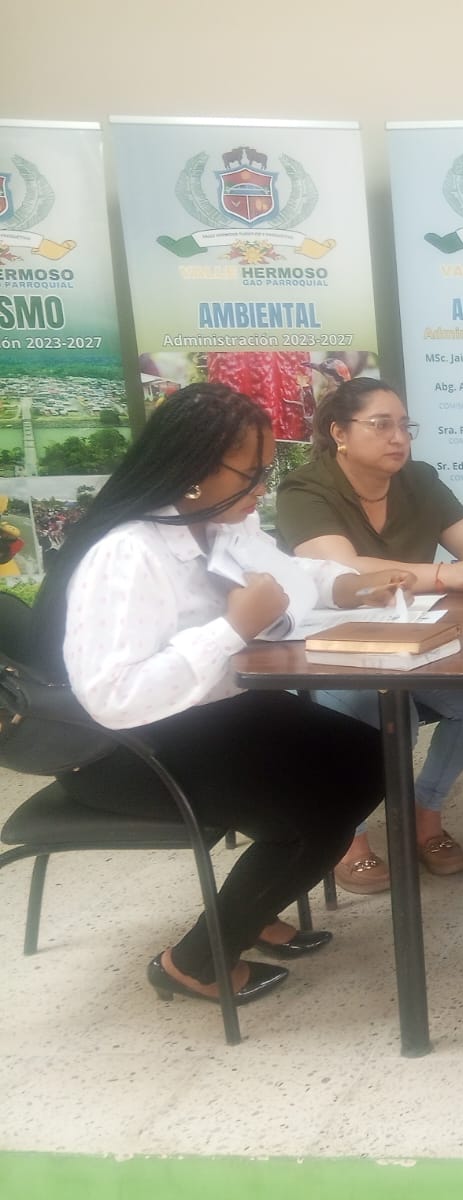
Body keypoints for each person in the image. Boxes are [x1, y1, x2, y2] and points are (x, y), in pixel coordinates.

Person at [29, 383, 399, 1006]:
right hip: (123, 749)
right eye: (251, 474)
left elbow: (289, 574)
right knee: (308, 816)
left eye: (266, 471)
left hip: (207, 716)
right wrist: (232, 628)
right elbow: (112, 698)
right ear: (195, 470)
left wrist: (348, 586)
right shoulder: (128, 552)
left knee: (368, 756)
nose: (261, 488)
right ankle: (193, 961)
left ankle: (250, 912)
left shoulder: (223, 523)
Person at [275, 377, 463, 893]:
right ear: (339, 432)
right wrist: (447, 574)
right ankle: (347, 836)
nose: (398, 437)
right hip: (335, 648)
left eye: (405, 425)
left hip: (412, 641)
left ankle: (425, 813)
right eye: (382, 425)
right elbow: (343, 571)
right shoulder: (304, 488)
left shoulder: (418, 479)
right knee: (374, 712)